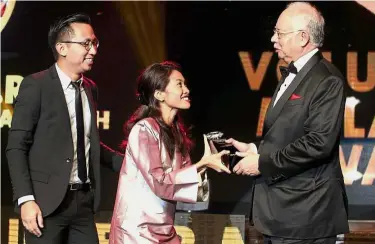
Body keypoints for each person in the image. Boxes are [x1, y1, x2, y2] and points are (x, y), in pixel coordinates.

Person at [226, 2, 349, 243]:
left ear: (303, 37)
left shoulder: (326, 80)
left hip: (304, 215)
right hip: (280, 214)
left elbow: (318, 143)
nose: (273, 38)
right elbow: (288, 134)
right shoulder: (295, 73)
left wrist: (262, 162)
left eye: (280, 33)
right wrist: (256, 149)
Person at [6, 13, 123, 244]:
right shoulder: (36, 85)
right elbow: (16, 147)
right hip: (45, 205)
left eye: (95, 43)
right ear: (62, 48)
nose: (93, 51)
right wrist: (26, 200)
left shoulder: (90, 89)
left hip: (84, 204)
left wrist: (131, 162)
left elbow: (85, 141)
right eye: (86, 44)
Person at [109, 61, 231, 244]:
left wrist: (212, 164)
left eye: (185, 84)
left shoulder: (176, 133)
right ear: (159, 94)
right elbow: (159, 182)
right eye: (179, 84)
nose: (187, 90)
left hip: (164, 229)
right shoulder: (144, 130)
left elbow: (190, 190)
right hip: (136, 232)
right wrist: (203, 163)